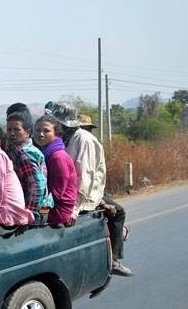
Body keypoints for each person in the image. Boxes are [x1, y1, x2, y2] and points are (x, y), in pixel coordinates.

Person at [45, 102, 134, 277]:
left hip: (85, 193)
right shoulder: (63, 138)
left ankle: (113, 259)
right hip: (67, 190)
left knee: (119, 213)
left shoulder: (82, 139)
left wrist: (74, 209)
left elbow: (83, 178)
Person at [79, 113, 133, 277]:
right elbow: (85, 180)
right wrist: (102, 202)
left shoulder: (78, 144)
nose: (88, 132)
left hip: (92, 192)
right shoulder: (85, 144)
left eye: (88, 129)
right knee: (119, 212)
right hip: (86, 195)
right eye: (85, 129)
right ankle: (114, 260)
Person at [5, 111, 52, 224]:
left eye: (17, 130)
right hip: (42, 207)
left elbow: (37, 187)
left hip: (36, 212)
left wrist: (29, 216)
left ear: (27, 132)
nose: (12, 133)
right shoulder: (24, 149)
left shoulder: (24, 153)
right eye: (9, 130)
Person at [33, 114, 77, 224]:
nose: (41, 134)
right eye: (38, 130)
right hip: (51, 205)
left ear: (56, 134)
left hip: (57, 210)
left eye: (46, 131)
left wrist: (40, 213)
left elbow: (56, 194)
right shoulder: (45, 153)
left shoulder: (57, 158)